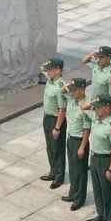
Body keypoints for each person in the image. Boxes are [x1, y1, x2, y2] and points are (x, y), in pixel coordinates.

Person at [81, 94, 111, 221]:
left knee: (106, 190)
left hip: (105, 159)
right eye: (95, 108)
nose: (96, 109)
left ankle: (107, 218)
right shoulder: (96, 118)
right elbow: (83, 107)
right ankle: (100, 213)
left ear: (107, 108)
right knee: (97, 188)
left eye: (99, 107)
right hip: (94, 158)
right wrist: (94, 103)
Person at [61, 78, 92, 211]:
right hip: (71, 139)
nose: (72, 93)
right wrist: (69, 85)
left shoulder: (86, 106)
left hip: (80, 141)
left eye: (75, 90)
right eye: (72, 91)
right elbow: (61, 91)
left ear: (82, 90)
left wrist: (82, 147)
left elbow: (87, 129)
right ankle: (72, 194)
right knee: (73, 170)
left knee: (80, 172)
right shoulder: (73, 100)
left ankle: (79, 199)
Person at [40, 57, 67, 189]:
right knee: (50, 147)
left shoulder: (61, 87)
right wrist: (47, 65)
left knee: (58, 149)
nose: (47, 72)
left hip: (56, 120)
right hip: (47, 118)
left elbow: (62, 109)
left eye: (50, 70)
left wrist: (57, 128)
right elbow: (41, 68)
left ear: (58, 71)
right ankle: (53, 171)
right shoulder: (50, 80)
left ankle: (59, 176)